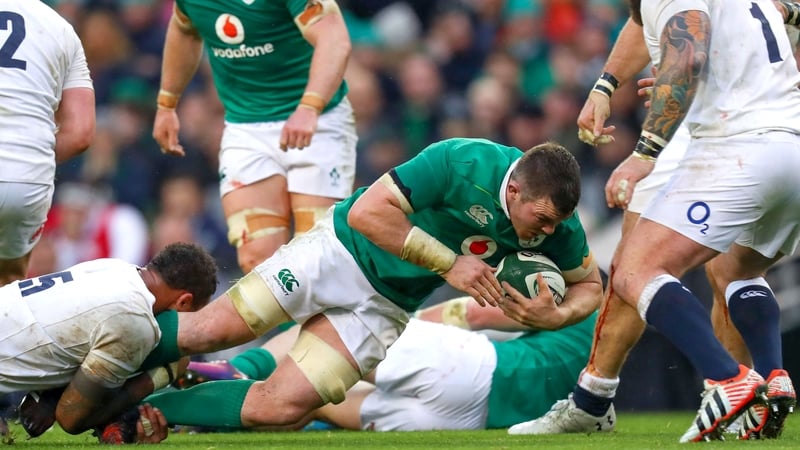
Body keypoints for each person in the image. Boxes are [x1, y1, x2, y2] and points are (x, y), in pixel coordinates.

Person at [91, 138, 603, 442]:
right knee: (210, 331)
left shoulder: (559, 223)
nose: (544, 235)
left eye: (554, 225)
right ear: (513, 190)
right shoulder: (462, 161)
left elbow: (591, 287)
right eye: (539, 220)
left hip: (385, 306)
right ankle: (79, 358)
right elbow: (366, 213)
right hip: (339, 253)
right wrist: (451, 264)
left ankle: (131, 408)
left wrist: (553, 317)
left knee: (283, 407)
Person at [510, 6, 799, 441]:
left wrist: (642, 155)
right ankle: (770, 376)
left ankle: (727, 379)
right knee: (735, 270)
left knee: (633, 269)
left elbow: (687, 56)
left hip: (734, 143)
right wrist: (609, 84)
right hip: (789, 140)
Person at [165, 299, 598, 432]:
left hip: (471, 369)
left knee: (329, 331)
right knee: (311, 404)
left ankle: (238, 367)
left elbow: (475, 314)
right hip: (470, 422)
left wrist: (401, 326)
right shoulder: (604, 360)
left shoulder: (580, 296)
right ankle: (198, 418)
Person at [152, 0, 357, 274]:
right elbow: (185, 29)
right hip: (245, 127)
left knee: (316, 256)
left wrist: (310, 106)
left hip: (318, 121)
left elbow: (334, 39)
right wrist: (167, 103)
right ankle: (286, 318)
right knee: (256, 259)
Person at [0, 242, 218, 442]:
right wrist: (164, 374)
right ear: (184, 301)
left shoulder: (113, 267)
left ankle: (52, 391)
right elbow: (70, 417)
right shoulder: (134, 319)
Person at [0, 0, 95, 286]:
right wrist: (25, 156)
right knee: (9, 282)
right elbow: (80, 134)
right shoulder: (62, 30)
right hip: (27, 180)